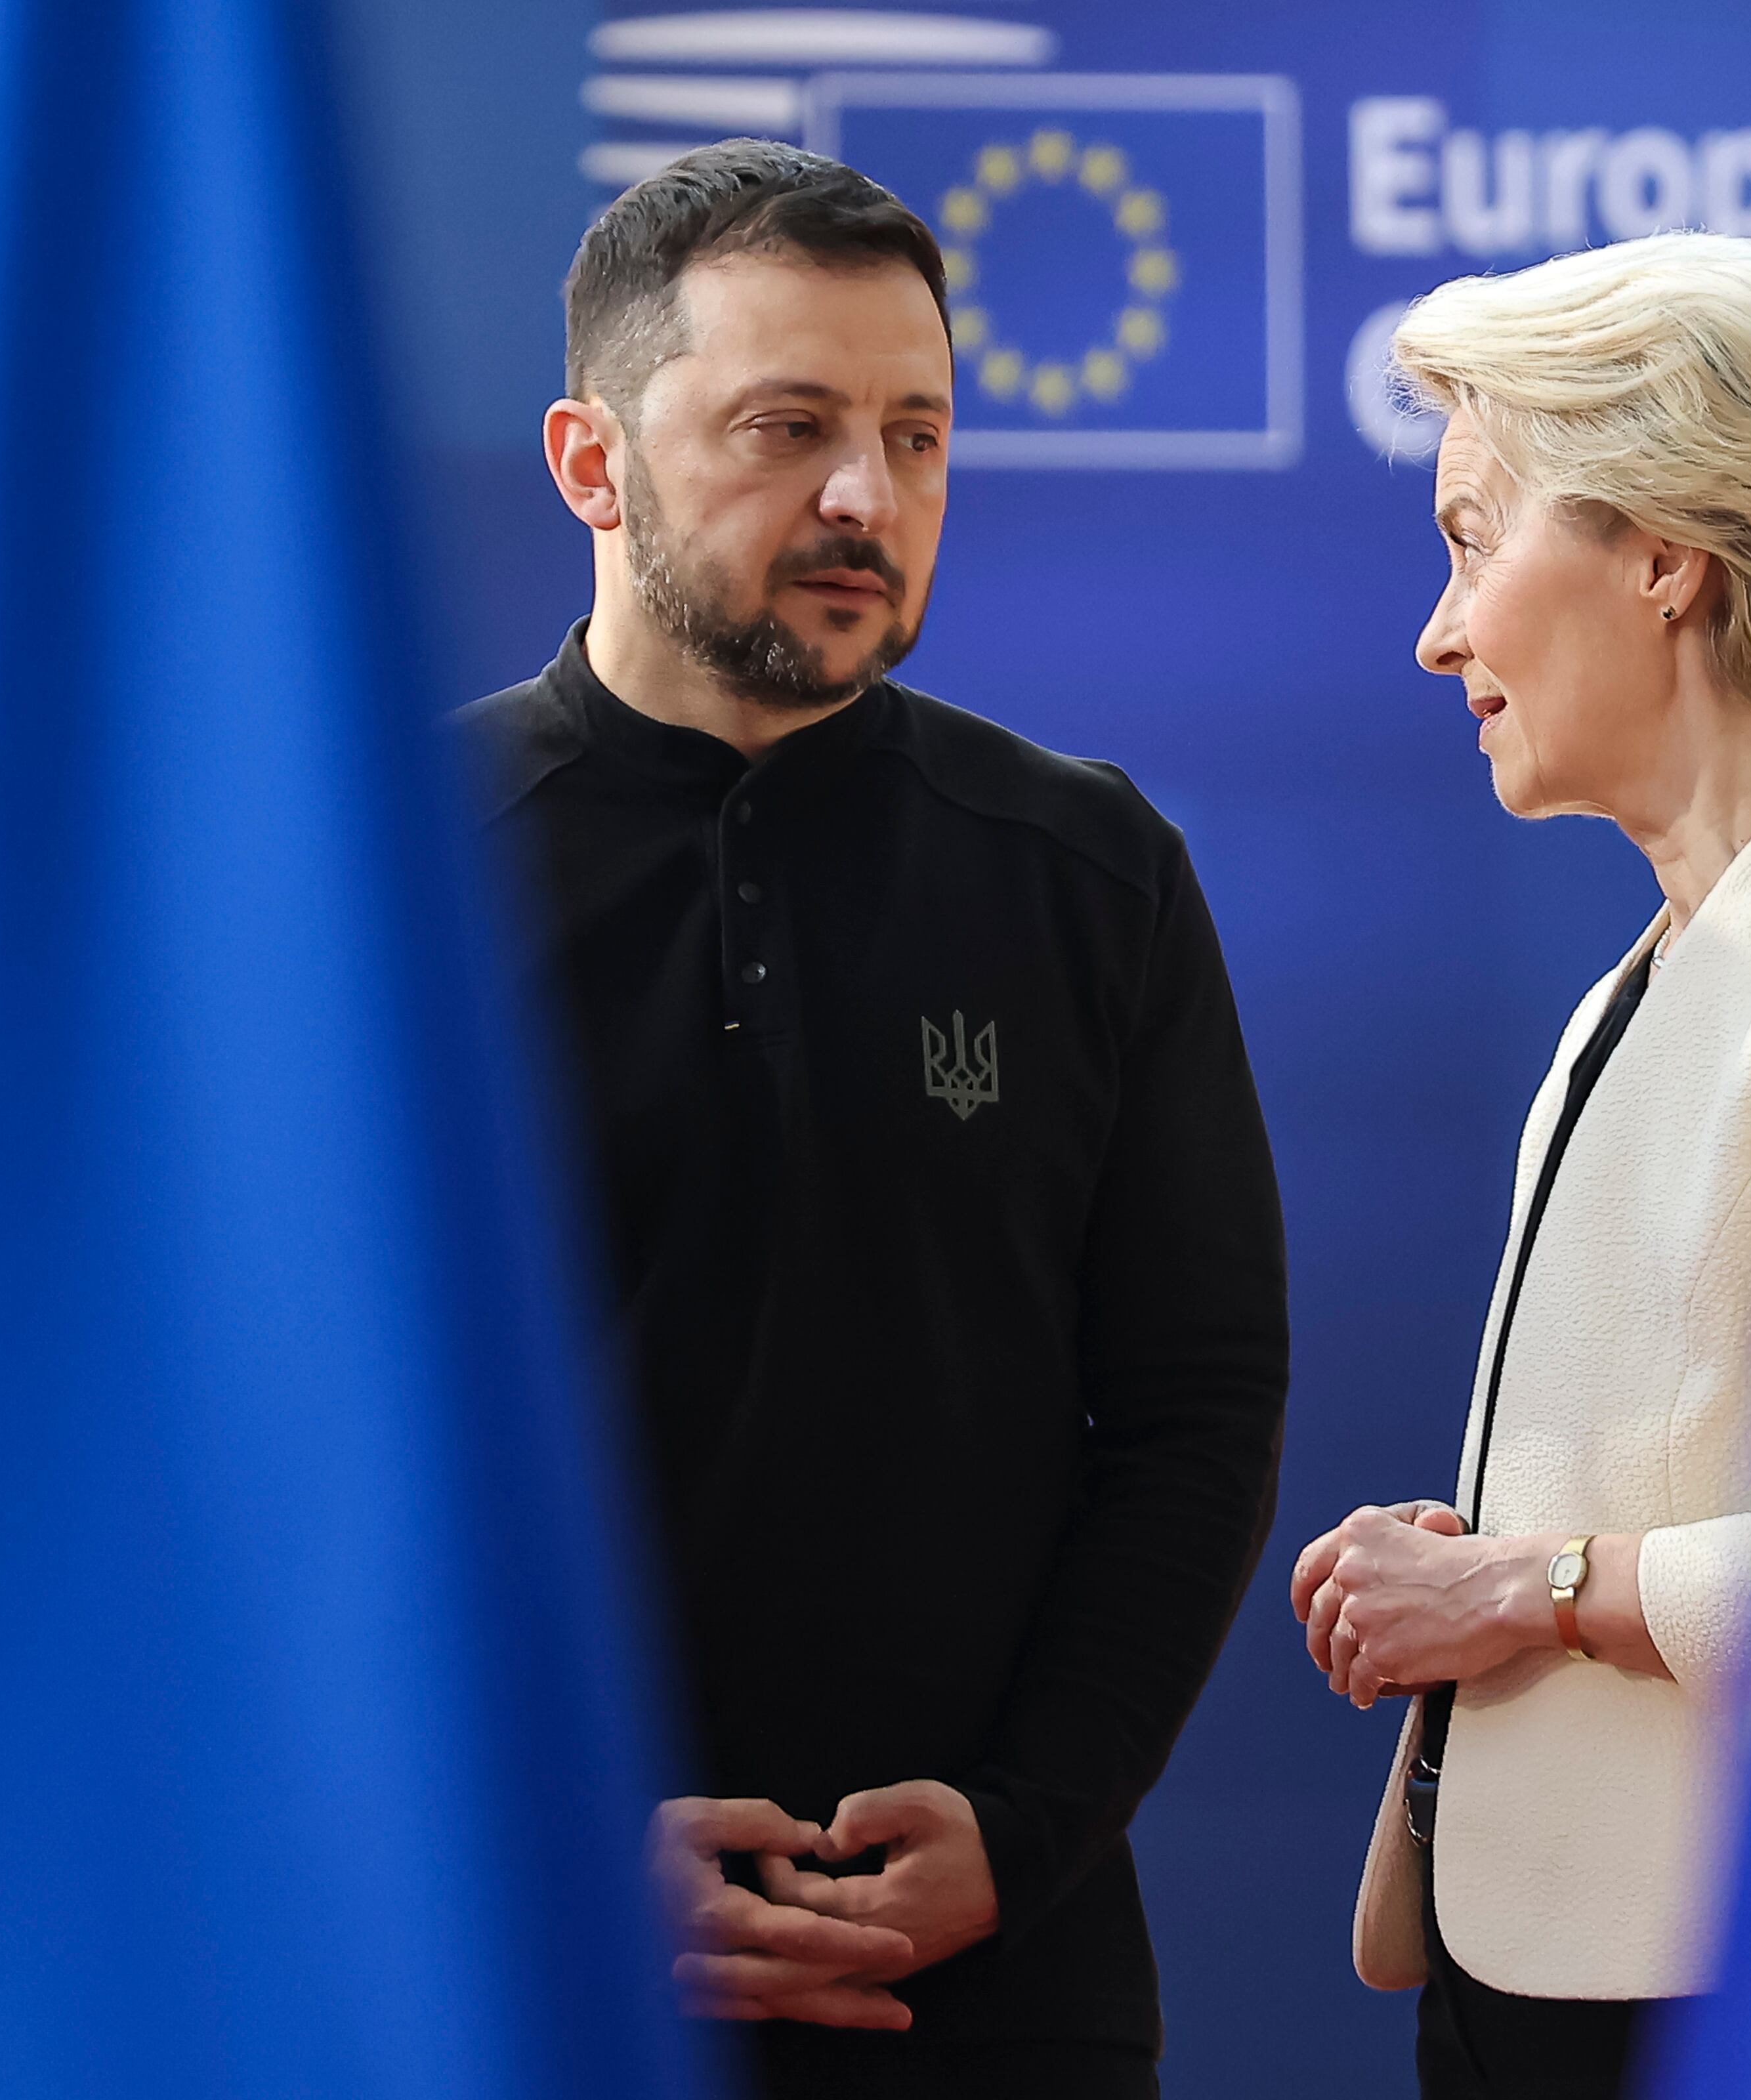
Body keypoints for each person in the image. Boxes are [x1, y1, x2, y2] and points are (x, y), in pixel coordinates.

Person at [455, 140, 1289, 2100]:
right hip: (507, 1974)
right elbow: (280, 1450)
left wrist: (1026, 1827)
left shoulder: (1090, 869)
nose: (866, 498)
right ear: (590, 463)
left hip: (997, 1995)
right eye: (790, 428)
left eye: (917, 437)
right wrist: (549, 1839)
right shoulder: (378, 878)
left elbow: (1194, 1410)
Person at [1288, 232, 1751, 2100]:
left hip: (1709, 2003)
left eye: (1473, 539)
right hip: (1548, 1978)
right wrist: (1504, 1551)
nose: (1439, 633)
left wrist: (1532, 1586)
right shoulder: (1660, 973)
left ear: (1663, 554)